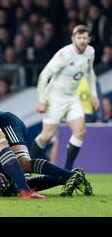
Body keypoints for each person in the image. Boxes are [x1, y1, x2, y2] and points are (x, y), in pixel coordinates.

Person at [30, 25, 100, 170]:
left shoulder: (90, 52)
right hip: (55, 98)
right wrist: (42, 100)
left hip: (72, 98)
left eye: (84, 38)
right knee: (46, 136)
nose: (82, 41)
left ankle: (68, 171)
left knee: (81, 132)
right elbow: (44, 76)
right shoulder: (65, 54)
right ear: (73, 38)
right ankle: (26, 167)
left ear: (89, 39)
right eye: (79, 38)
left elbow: (89, 73)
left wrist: (94, 95)